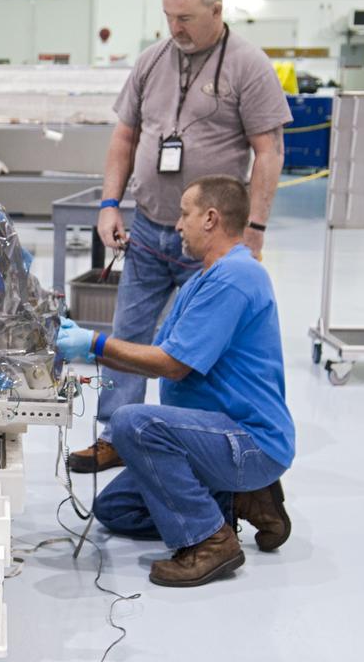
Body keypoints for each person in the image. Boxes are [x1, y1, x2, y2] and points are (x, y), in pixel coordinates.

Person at [69, 0, 293, 475]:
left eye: (187, 18)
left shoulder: (249, 66)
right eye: (169, 17)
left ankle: (199, 446)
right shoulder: (152, 61)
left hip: (209, 239)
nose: (176, 28)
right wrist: (109, 204)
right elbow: (124, 137)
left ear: (217, 10)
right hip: (148, 226)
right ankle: (117, 434)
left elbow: (270, 151)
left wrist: (254, 230)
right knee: (128, 330)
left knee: (194, 352)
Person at [57, 176, 294, 587]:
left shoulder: (237, 277)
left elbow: (172, 365)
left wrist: (94, 344)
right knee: (114, 510)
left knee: (135, 423)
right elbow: (156, 360)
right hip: (213, 437)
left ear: (211, 218)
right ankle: (236, 498)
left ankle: (210, 541)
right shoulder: (199, 283)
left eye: (185, 214)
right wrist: (84, 346)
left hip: (249, 440)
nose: (178, 225)